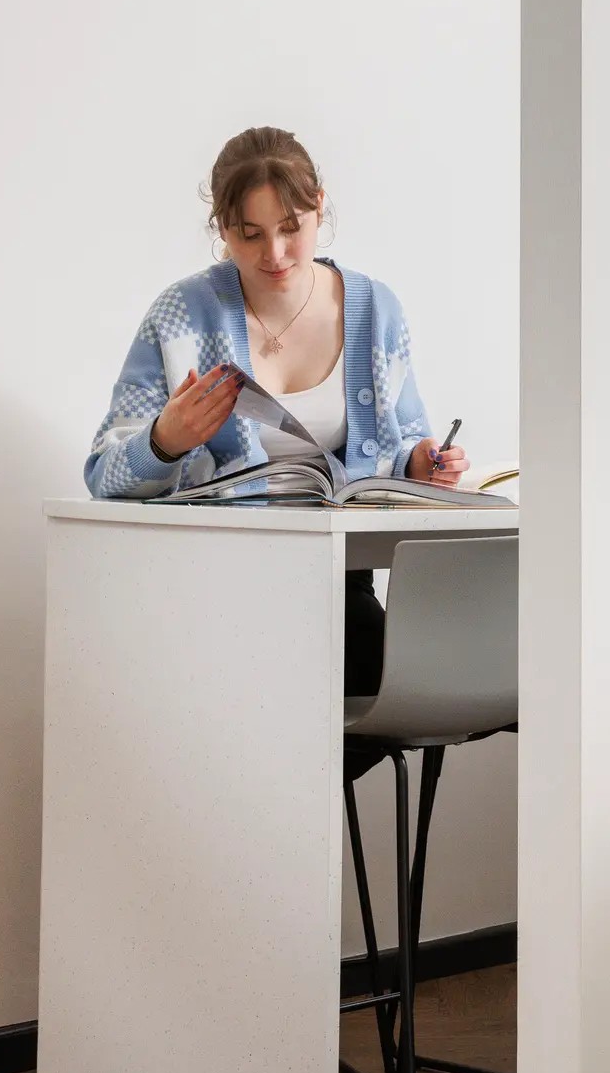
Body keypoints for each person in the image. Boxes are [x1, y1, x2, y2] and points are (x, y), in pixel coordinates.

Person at [85, 127, 468, 690]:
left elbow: (408, 444)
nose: (275, 254)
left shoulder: (377, 310)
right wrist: (165, 439)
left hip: (338, 578)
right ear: (222, 230)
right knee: (274, 682)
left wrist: (423, 463)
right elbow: (103, 476)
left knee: (370, 668)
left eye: (291, 228)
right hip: (215, 580)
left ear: (318, 207)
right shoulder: (181, 315)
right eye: (251, 235)